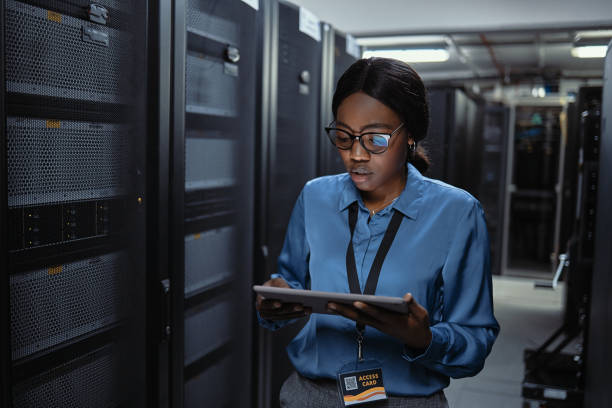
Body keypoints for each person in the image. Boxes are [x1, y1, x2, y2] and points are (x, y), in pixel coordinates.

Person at [256, 57, 499, 407]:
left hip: (404, 400)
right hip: (309, 396)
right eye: (343, 136)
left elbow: (476, 340)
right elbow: (291, 284)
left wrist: (423, 338)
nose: (356, 154)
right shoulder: (315, 197)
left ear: (411, 134)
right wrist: (276, 302)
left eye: (376, 140)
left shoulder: (457, 213)